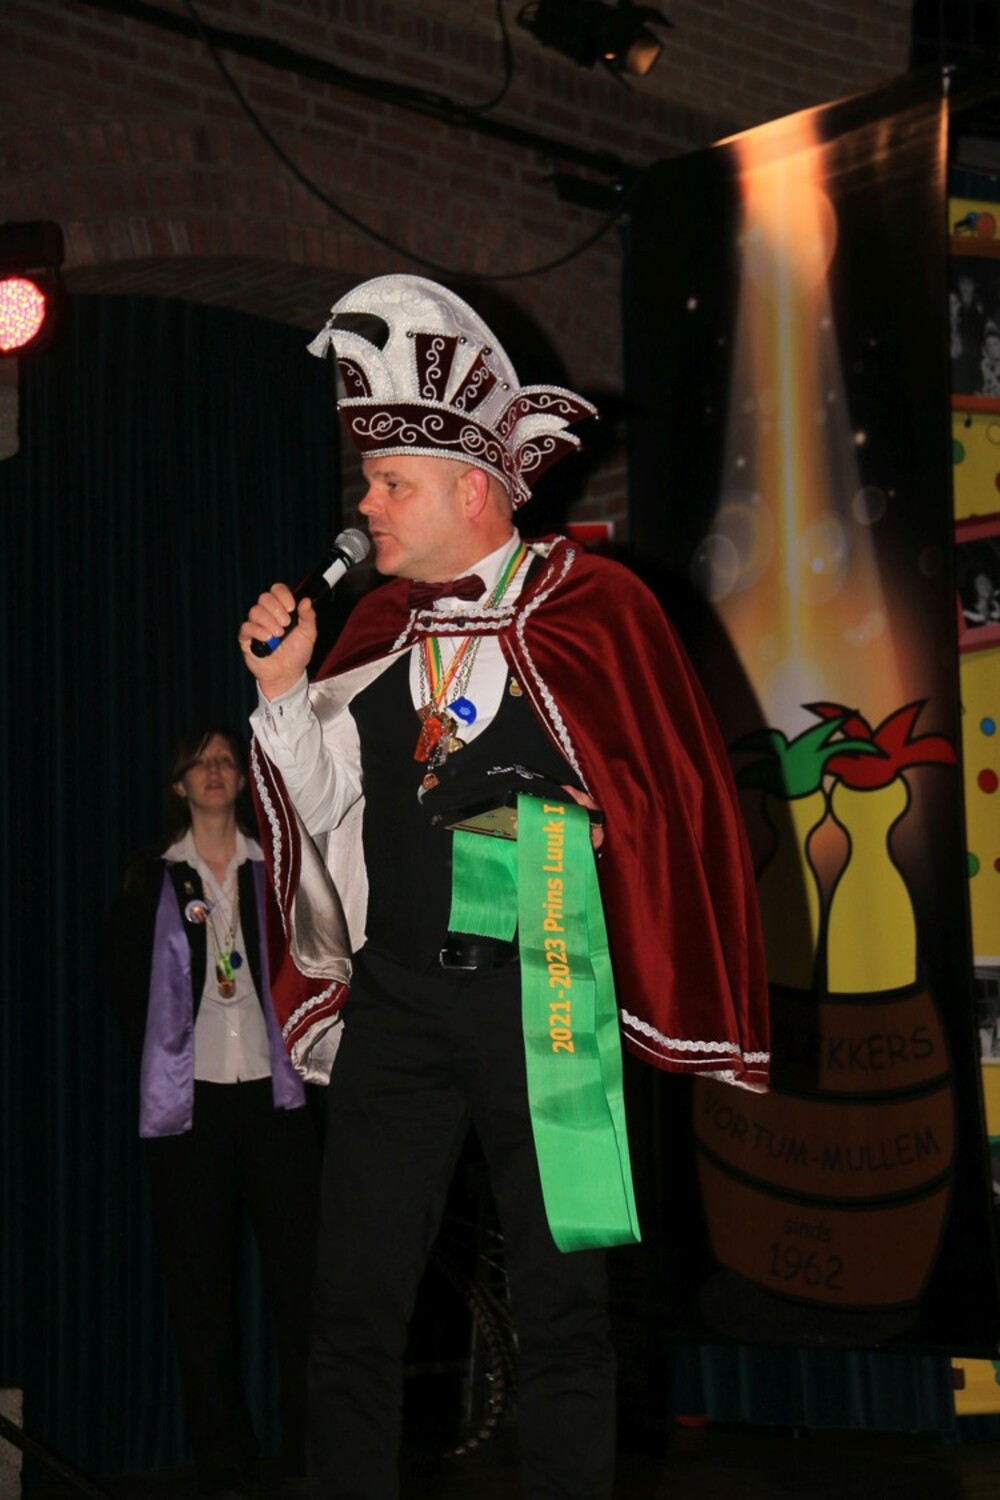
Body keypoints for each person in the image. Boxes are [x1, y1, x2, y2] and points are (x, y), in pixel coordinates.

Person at [239, 275, 770, 1500]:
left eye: (391, 485)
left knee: (567, 1309)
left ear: (471, 490)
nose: (365, 505)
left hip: (548, 1007)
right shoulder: (375, 627)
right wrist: (282, 694)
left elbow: (673, 802)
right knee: (352, 1306)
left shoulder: (600, 611)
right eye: (369, 483)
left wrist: (585, 823)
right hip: (398, 1007)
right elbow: (326, 815)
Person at [106, 726, 321, 1500]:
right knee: (201, 1296)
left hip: (277, 1103)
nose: (215, 771)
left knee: (302, 1289)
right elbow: (124, 987)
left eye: (226, 760)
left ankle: (308, 1455)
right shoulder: (152, 879)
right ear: (179, 785)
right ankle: (223, 1467)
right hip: (189, 1111)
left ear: (241, 779)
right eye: (200, 763)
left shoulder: (279, 870)